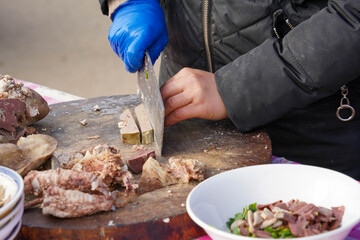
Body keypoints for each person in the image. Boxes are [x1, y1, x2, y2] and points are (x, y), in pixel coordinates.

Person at [98, 0, 360, 179]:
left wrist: (236, 88)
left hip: (312, 131)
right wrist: (127, 3)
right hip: (186, 114)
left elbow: (353, 15)